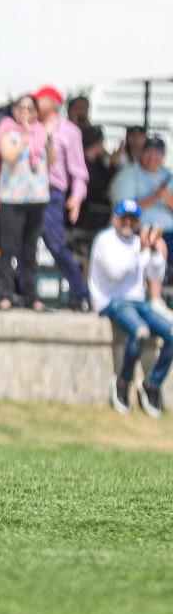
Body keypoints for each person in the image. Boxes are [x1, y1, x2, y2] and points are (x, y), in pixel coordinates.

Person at [89, 199, 168, 415]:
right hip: (111, 300)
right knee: (141, 332)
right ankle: (123, 382)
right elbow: (115, 274)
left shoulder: (137, 243)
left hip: (137, 301)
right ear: (115, 218)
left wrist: (153, 250)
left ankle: (151, 385)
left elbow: (155, 274)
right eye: (125, 218)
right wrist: (140, 249)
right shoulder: (104, 241)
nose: (128, 223)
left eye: (133, 219)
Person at [0, 96, 52, 311]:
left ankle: (31, 295)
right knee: (8, 249)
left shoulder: (41, 131)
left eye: (30, 108)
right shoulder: (6, 130)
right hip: (12, 197)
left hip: (37, 196)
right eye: (21, 107)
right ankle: (5, 294)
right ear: (14, 110)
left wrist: (46, 137)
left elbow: (50, 160)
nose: (25, 112)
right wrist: (25, 135)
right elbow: (9, 156)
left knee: (30, 250)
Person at [34, 85, 90, 310]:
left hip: (52, 193)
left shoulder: (70, 132)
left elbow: (79, 171)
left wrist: (76, 198)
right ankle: (19, 293)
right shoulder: (31, 126)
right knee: (21, 245)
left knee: (55, 244)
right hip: (27, 190)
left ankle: (80, 293)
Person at [109, 133, 173, 304]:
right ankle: (155, 300)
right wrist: (153, 198)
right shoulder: (128, 175)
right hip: (139, 231)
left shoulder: (169, 176)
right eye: (149, 152)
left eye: (158, 153)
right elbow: (124, 212)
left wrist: (166, 197)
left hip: (169, 230)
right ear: (141, 153)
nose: (153, 156)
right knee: (158, 246)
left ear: (163, 156)